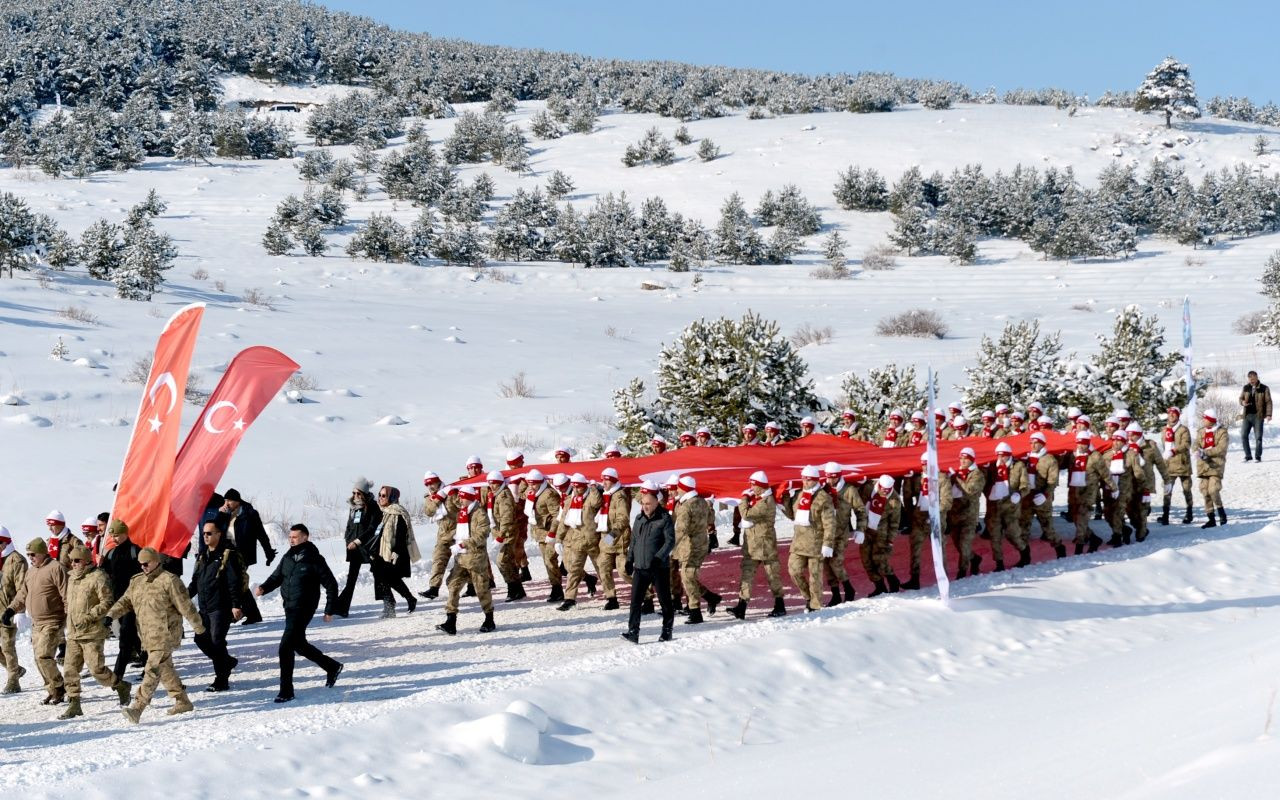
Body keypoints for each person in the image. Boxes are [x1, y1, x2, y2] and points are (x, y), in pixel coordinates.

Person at [108, 546, 205, 723]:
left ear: (156, 561)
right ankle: (182, 701)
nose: (143, 567)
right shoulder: (137, 581)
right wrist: (110, 616)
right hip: (147, 636)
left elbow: (186, 606)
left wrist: (199, 628)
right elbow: (125, 601)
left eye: (146, 563)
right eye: (141, 564)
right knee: (165, 669)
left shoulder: (169, 580)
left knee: (152, 669)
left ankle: (137, 707)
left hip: (166, 635)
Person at [255, 524, 343, 703]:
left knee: (285, 647)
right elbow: (277, 577)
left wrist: (329, 610)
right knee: (299, 644)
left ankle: (286, 691)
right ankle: (331, 666)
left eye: (295, 537)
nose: (291, 540)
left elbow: (331, 584)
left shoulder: (314, 559)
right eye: (290, 537)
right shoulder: (288, 557)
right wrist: (264, 587)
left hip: (304, 607)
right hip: (289, 607)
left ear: (305, 537)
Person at [58, 545, 130, 718]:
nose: (73, 564)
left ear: (86, 561)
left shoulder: (98, 576)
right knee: (69, 670)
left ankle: (121, 686)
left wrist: (89, 617)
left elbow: (107, 601)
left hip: (92, 632)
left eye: (77, 560)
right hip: (74, 633)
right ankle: (74, 704)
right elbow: (69, 602)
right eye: (71, 560)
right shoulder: (72, 578)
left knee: (97, 670)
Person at [2, 538, 67, 704]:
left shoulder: (56, 568)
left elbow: (67, 595)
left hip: (53, 620)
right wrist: (11, 609)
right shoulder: (31, 572)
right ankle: (52, 690)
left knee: (43, 656)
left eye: (33, 554)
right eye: (28, 554)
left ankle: (59, 686)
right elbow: (22, 594)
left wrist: (70, 618)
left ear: (43, 552)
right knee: (38, 659)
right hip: (37, 622)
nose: (30, 558)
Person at [187, 514, 245, 692]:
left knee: (217, 641)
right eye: (204, 533)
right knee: (200, 639)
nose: (206, 536)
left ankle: (221, 680)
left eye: (209, 533)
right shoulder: (202, 555)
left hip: (221, 607)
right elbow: (195, 582)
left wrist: (236, 605)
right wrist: (183, 597)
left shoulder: (228, 555)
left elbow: (234, 582)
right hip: (204, 607)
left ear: (219, 534)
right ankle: (227, 661)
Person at [435, 487, 497, 635]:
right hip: (461, 559)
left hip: (476, 560)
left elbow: (482, 535)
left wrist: (463, 544)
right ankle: (450, 621)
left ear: (469, 498)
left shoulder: (480, 514)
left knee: (482, 589)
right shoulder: (462, 512)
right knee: (453, 586)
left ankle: (489, 619)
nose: (460, 500)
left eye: (462, 497)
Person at [621, 482, 676, 644]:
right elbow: (634, 541)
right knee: (635, 602)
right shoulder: (639, 519)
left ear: (656, 502)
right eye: (643, 503)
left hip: (658, 568)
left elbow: (670, 541)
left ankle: (667, 631)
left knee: (665, 601)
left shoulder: (664, 518)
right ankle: (633, 632)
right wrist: (629, 560)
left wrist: (659, 558)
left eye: (648, 504)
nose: (645, 507)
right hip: (640, 567)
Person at [729, 471, 786, 619]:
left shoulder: (766, 502)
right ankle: (741, 606)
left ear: (761, 486)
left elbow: (746, 514)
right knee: (746, 574)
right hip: (752, 546)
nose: (751, 488)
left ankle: (780, 605)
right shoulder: (757, 499)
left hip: (765, 546)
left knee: (772, 575)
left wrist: (744, 498)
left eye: (754, 485)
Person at [780, 466, 836, 612]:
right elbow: (792, 515)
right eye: (804, 479)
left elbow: (830, 524)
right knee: (794, 571)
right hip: (798, 543)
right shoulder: (799, 494)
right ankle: (808, 597)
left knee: (815, 577)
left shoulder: (823, 498)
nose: (805, 482)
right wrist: (784, 499)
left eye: (809, 480)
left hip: (816, 544)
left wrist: (828, 544)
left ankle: (815, 606)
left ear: (816, 480)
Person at [221, 489, 276, 625]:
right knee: (236, 583)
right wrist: (220, 514)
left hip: (242, 554)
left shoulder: (250, 514)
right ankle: (250, 613)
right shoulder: (224, 514)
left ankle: (245, 613)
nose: (227, 503)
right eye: (225, 500)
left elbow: (261, 534)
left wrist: (268, 552)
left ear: (237, 501)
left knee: (237, 582)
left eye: (229, 501)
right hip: (227, 553)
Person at [671, 475, 720, 624]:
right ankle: (710, 597)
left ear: (684, 489)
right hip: (701, 545)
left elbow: (681, 529)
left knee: (687, 577)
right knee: (689, 577)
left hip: (689, 547)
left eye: (679, 487)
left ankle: (695, 612)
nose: (677, 490)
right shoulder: (702, 502)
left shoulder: (686, 506)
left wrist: (669, 546)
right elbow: (711, 519)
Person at [100, 519, 143, 683]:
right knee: (132, 636)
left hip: (132, 602)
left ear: (125, 533)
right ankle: (149, 664)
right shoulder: (111, 553)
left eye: (117, 535)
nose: (114, 538)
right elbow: (104, 574)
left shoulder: (135, 551)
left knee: (125, 636)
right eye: (112, 535)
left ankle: (117, 676)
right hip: (117, 602)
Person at [333, 478, 382, 617]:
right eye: (354, 493)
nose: (355, 496)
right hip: (355, 548)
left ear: (364, 493)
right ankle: (342, 608)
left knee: (380, 575)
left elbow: (372, 528)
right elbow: (350, 526)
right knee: (351, 578)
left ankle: (391, 602)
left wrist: (358, 541)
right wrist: (348, 539)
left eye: (358, 493)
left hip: (369, 547)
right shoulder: (354, 507)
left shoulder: (373, 507)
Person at [554, 474, 601, 612]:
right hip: (576, 541)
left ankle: (612, 597)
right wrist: (558, 539)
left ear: (584, 486)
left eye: (579, 486)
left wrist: (593, 488)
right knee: (573, 570)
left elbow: (597, 503)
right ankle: (569, 599)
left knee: (602, 569)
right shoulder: (570, 500)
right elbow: (563, 521)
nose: (576, 489)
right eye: (574, 487)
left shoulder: (591, 497)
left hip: (593, 541)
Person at [371, 486, 420, 616]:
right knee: (383, 578)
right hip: (382, 551)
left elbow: (401, 534)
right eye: (380, 495)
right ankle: (393, 604)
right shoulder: (383, 512)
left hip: (395, 552)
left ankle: (399, 602)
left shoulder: (398, 513)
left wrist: (396, 551)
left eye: (384, 495)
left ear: (392, 497)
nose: (380, 498)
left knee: (390, 578)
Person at [820, 462, 862, 605]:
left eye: (834, 477)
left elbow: (860, 510)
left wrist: (860, 529)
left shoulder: (849, 490)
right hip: (825, 533)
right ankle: (835, 594)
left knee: (835, 561)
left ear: (839, 476)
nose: (830, 480)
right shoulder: (823, 489)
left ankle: (848, 588)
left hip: (841, 533)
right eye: (828, 477)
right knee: (826, 563)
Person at [1021, 432, 1067, 558]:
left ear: (1042, 444)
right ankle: (1025, 556)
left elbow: (1053, 481)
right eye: (1031, 443)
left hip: (1042, 498)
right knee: (1023, 528)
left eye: (1036, 443)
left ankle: (1059, 548)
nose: (1033, 445)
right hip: (1027, 497)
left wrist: (1045, 495)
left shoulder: (1050, 460)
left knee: (1047, 529)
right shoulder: (1026, 458)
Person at [987, 442, 1031, 571]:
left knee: (1013, 534)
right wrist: (990, 492)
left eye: (1004, 456)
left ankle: (1024, 553)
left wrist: (1019, 494)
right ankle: (999, 563)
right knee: (995, 536)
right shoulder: (993, 467)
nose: (1001, 458)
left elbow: (1026, 485)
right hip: (995, 507)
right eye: (999, 456)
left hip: (1011, 507)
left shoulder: (1018, 466)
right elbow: (986, 484)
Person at [596, 468, 632, 611]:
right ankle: (611, 598)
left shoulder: (619, 496)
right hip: (606, 540)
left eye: (607, 480)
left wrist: (612, 535)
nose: (603, 483)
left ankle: (647, 594)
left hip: (618, 541)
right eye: (602, 480)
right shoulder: (606, 496)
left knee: (624, 572)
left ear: (614, 481)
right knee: (603, 569)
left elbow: (623, 519)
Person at [525, 469, 564, 602]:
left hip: (551, 534)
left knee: (550, 560)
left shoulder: (549, 494)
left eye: (534, 484)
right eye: (529, 484)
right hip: (540, 534)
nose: (531, 487)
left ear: (540, 482)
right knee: (548, 562)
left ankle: (557, 589)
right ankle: (587, 579)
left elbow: (557, 516)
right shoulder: (531, 492)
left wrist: (552, 533)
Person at [487, 471, 525, 602]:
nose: (492, 486)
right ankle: (517, 589)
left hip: (507, 534)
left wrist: (501, 536)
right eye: (490, 484)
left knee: (502, 561)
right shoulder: (496, 495)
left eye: (495, 484)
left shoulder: (503, 496)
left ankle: (512, 587)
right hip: (502, 533)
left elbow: (506, 518)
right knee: (508, 561)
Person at [420, 471, 457, 601]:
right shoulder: (429, 498)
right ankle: (434, 589)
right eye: (427, 484)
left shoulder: (450, 492)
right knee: (438, 559)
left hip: (458, 532)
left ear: (438, 482)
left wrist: (450, 494)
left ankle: (471, 586)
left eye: (432, 483)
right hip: (443, 534)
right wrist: (438, 498)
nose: (430, 486)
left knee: (464, 561)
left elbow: (461, 505)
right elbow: (429, 511)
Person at [0, 526, 28, 694]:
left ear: (5, 542)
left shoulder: (16, 560)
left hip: (9, 610)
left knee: (7, 646)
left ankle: (13, 681)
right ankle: (15, 669)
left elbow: (22, 588)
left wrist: (20, 611)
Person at [865, 475, 903, 594]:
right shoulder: (869, 487)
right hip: (866, 530)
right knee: (866, 560)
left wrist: (890, 540)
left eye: (887, 490)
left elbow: (894, 522)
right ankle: (879, 587)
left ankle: (893, 581)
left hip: (882, 533)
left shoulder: (894, 500)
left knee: (880, 560)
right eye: (882, 489)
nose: (884, 492)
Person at [1159, 407, 1195, 525]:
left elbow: (1186, 444)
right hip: (1169, 466)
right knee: (1167, 491)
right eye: (1169, 413)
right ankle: (1165, 515)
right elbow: (1164, 446)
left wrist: (1174, 451)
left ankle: (1189, 512)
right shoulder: (1164, 430)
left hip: (1183, 464)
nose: (1171, 415)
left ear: (1178, 415)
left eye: (1174, 414)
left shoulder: (1183, 430)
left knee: (1186, 490)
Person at [1196, 410, 1229, 528]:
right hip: (1203, 466)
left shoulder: (1222, 432)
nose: (1203, 420)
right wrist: (1197, 451)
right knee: (1205, 491)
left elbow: (1221, 448)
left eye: (1205, 418)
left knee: (1213, 490)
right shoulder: (1201, 432)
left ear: (1211, 420)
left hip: (1216, 465)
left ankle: (1221, 512)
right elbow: (1196, 445)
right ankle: (1211, 518)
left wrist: (1206, 452)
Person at [1240, 371, 1272, 462]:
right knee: (1243, 435)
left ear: (1257, 378)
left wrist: (1269, 414)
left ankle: (1258, 456)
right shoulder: (1245, 387)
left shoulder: (1264, 388)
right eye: (1250, 379)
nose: (1252, 381)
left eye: (1253, 379)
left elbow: (1268, 402)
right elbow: (1240, 398)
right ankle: (1248, 456)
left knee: (1258, 437)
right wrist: (1243, 402)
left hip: (1258, 416)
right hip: (1247, 415)